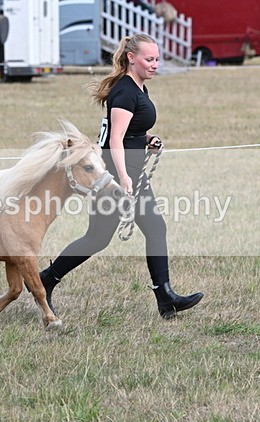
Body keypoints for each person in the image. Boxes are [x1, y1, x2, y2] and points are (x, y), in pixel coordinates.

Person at [38, 33, 204, 319]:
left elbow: (129, 133)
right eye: (149, 59)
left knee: (146, 230)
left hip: (131, 173)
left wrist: (147, 139)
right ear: (131, 58)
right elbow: (114, 140)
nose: (155, 64)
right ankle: (44, 280)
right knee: (98, 238)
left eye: (157, 59)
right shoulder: (126, 92)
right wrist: (123, 179)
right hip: (115, 178)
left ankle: (165, 297)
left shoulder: (137, 86)